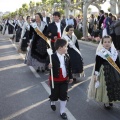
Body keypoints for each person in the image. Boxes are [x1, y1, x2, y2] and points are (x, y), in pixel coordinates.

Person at [87, 36, 120, 109]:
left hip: (114, 71)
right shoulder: (100, 53)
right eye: (105, 42)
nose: (107, 43)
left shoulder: (114, 53)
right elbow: (97, 65)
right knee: (106, 87)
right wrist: (96, 75)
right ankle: (106, 102)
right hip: (104, 71)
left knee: (113, 85)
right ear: (102, 43)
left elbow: (117, 63)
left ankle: (111, 100)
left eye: (109, 42)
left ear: (111, 43)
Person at [48, 39, 73, 119]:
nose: (67, 48)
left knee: (63, 95)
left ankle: (62, 112)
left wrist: (71, 77)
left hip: (64, 80)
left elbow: (69, 67)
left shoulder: (67, 56)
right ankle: (52, 101)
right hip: (55, 80)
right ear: (59, 48)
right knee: (54, 95)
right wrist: (48, 66)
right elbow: (46, 64)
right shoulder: (52, 57)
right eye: (65, 46)